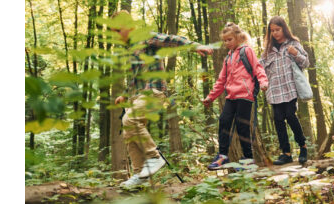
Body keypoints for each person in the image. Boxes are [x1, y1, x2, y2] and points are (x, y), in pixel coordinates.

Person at [111, 11, 213, 187]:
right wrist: (125, 95)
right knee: (129, 132)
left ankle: (154, 157)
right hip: (137, 94)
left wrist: (194, 45)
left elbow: (170, 39)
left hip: (154, 90)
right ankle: (140, 177)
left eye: (118, 30)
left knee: (131, 119)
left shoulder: (146, 38)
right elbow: (135, 77)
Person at [202, 23, 268, 170]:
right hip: (231, 96)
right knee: (224, 121)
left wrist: (263, 81)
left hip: (245, 95)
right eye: (224, 40)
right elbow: (221, 80)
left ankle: (248, 159)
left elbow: (257, 67)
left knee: (242, 126)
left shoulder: (247, 51)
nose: (227, 43)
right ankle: (223, 156)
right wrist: (210, 97)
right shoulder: (228, 58)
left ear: (238, 37)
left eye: (229, 39)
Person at [260, 16, 309, 165]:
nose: (275, 33)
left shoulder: (293, 44)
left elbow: (306, 62)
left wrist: (295, 53)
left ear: (284, 29)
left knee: (290, 115)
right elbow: (258, 67)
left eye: (277, 29)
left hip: (290, 88)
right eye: (272, 30)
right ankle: (286, 153)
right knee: (278, 119)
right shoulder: (268, 50)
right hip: (274, 90)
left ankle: (303, 146)